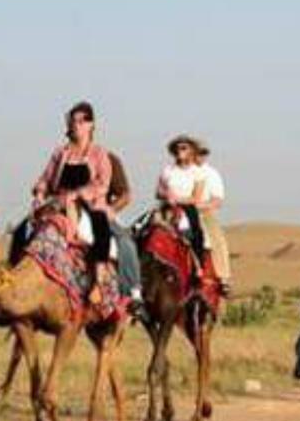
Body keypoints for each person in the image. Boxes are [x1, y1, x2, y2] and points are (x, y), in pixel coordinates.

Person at [32, 101, 114, 299]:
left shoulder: (99, 153)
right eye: (73, 121)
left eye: (81, 120)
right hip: (59, 203)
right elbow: (45, 178)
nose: (77, 124)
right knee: (23, 230)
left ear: (91, 125)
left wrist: (79, 194)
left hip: (89, 204)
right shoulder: (61, 153)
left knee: (100, 226)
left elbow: (103, 183)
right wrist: (39, 194)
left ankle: (98, 282)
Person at [155, 135, 207, 272]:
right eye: (177, 148)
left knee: (196, 233)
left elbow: (196, 197)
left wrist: (177, 199)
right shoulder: (168, 170)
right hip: (167, 206)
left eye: (184, 148)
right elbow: (158, 192)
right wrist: (166, 195)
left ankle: (198, 266)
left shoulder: (198, 172)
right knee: (144, 228)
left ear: (191, 151)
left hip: (187, 207)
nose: (180, 150)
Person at [106, 151, 146, 314]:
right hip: (69, 208)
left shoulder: (108, 158)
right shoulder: (63, 156)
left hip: (100, 211)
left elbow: (125, 195)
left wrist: (111, 209)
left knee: (125, 240)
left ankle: (133, 292)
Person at [194, 143, 232, 296]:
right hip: (180, 210)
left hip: (204, 212)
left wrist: (200, 206)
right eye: (198, 153)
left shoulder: (211, 174)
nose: (200, 156)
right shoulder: (182, 171)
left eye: (203, 153)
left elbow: (217, 200)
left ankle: (224, 278)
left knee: (217, 240)